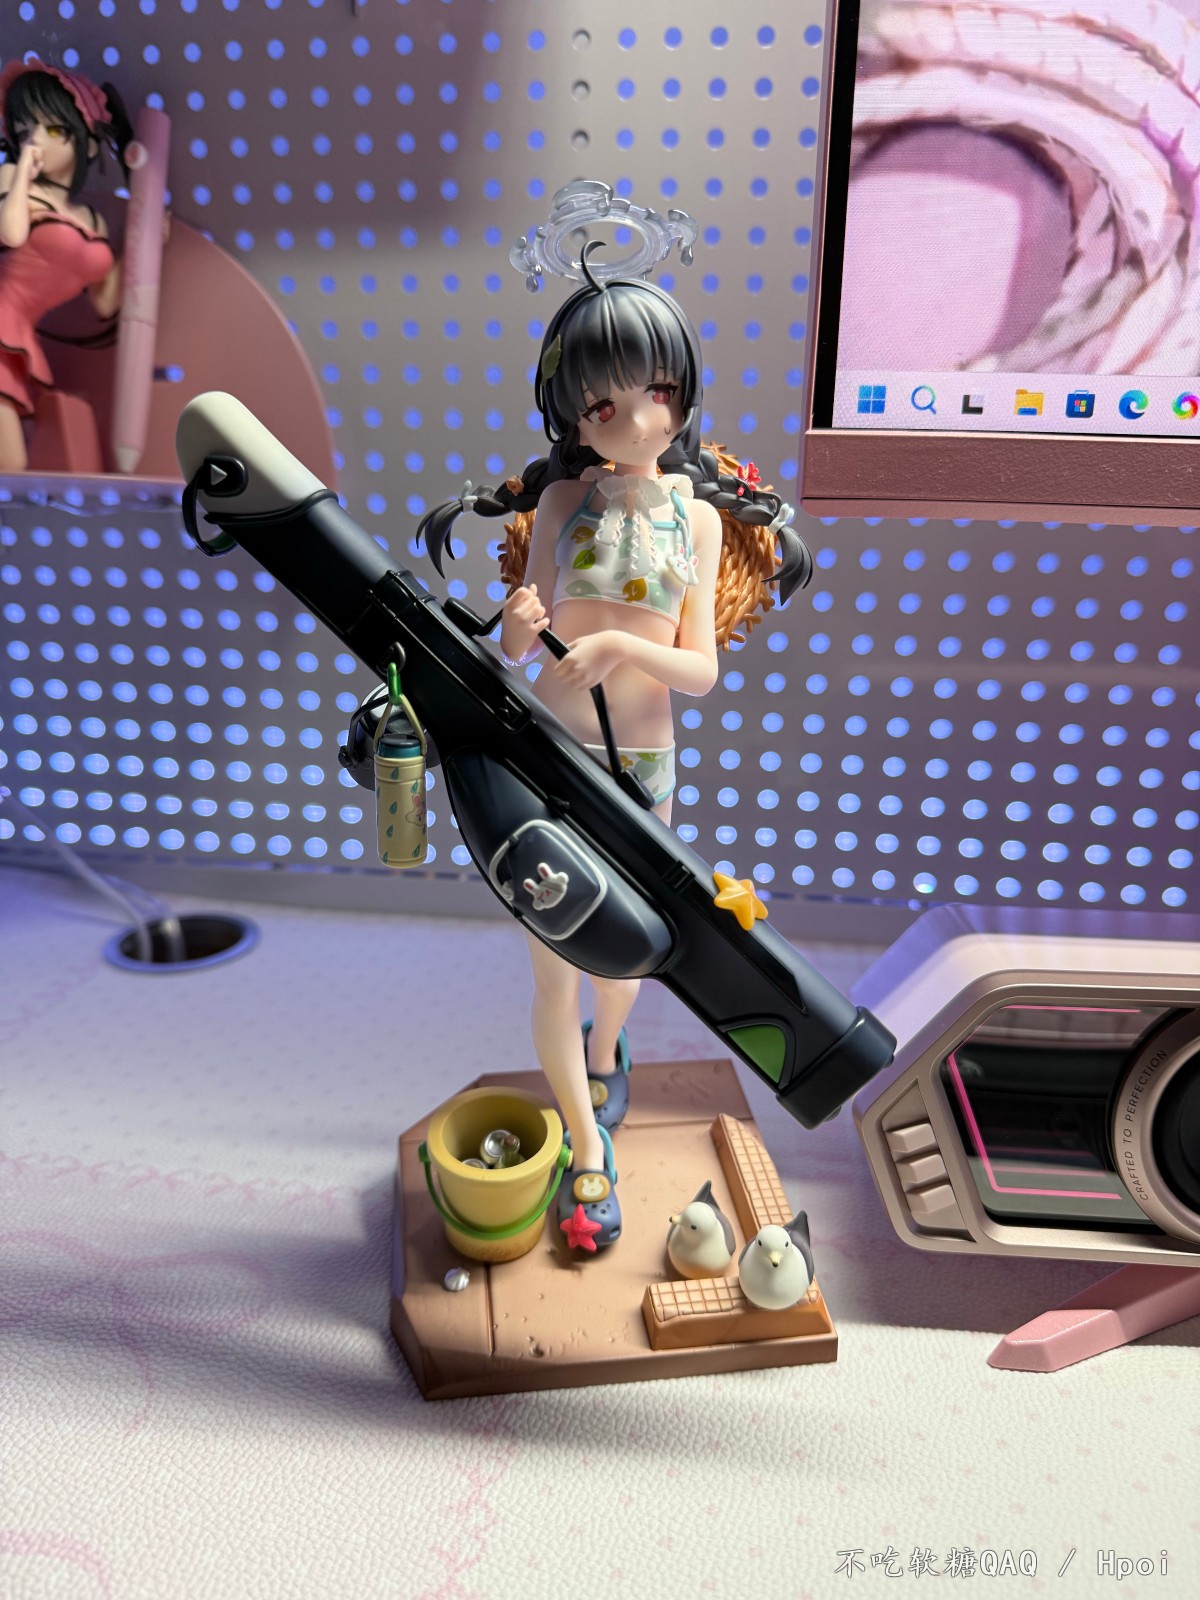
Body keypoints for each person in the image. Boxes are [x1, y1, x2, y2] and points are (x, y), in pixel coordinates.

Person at [418, 242, 811, 1252]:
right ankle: (587, 1149)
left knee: (629, 953)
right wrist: (518, 624)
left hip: (643, 769)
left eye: (657, 395)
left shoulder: (698, 519)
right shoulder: (560, 504)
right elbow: (516, 649)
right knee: (553, 961)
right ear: (571, 416)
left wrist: (618, 646)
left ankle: (607, 1053)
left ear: (683, 396)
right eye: (605, 406)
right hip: (547, 762)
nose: (637, 423)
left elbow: (700, 670)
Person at [0, 57, 132, 471]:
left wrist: (141, 245)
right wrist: (23, 170)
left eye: (53, 130)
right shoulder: (12, 181)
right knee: (11, 464)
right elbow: (11, 234)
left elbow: (105, 304)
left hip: (18, 337)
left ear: (87, 143)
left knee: (13, 465)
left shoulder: (92, 221)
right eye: (25, 130)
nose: (36, 140)